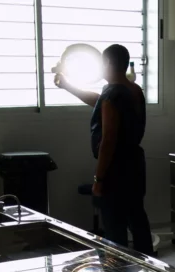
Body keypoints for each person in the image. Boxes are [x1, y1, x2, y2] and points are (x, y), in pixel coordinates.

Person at [55, 44, 154, 255]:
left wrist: (98, 180)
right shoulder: (133, 89)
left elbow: (108, 140)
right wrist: (68, 86)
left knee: (115, 229)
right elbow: (100, 101)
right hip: (135, 166)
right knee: (137, 220)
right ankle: (149, 268)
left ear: (108, 63)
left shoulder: (112, 94)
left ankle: (118, 271)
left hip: (116, 170)